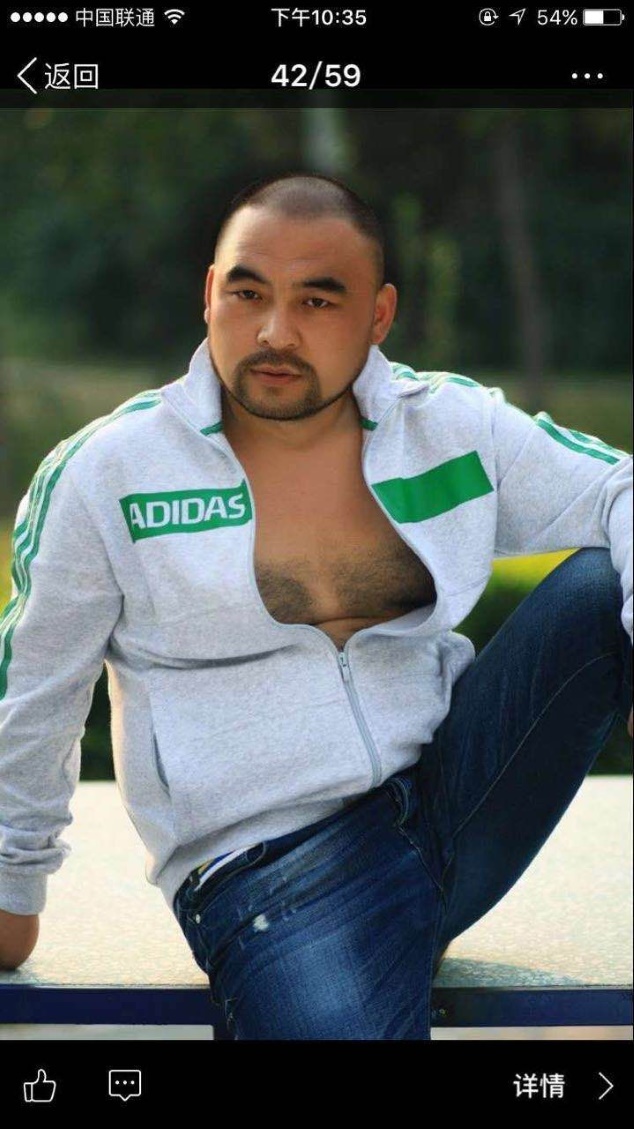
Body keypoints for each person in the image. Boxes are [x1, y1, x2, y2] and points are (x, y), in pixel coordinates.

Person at [0, 172, 631, 1040]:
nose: (275, 332)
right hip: (266, 873)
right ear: (209, 294)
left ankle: (396, 931)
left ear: (379, 315)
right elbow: (36, 694)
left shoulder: (450, 430)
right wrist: (11, 889)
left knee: (600, 586)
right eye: (247, 293)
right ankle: (377, 943)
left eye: (317, 301)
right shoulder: (109, 474)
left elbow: (620, 488)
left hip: (454, 799)